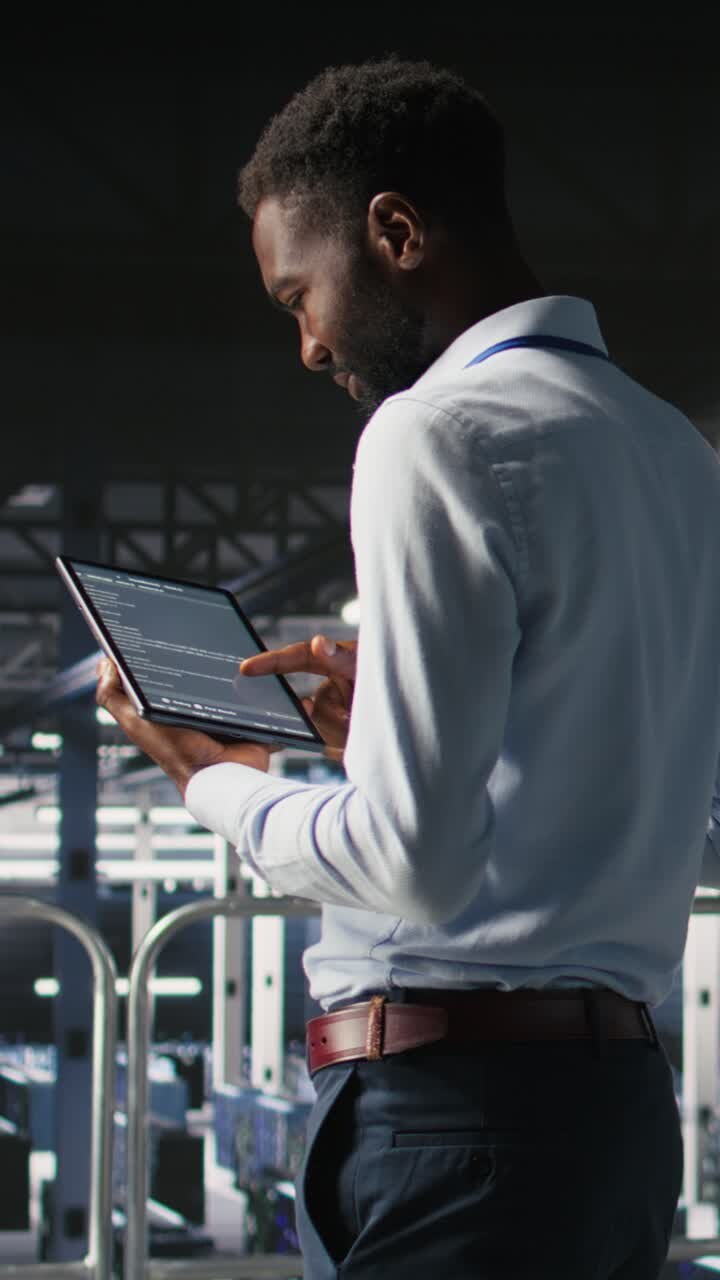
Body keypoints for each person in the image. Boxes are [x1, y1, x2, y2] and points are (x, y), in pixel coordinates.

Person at [94, 55, 720, 1279]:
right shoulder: (676, 452)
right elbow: (660, 806)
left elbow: (413, 862)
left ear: (394, 232)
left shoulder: (431, 430)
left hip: (457, 1124)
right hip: (615, 1125)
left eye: (299, 294)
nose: (307, 342)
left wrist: (211, 780)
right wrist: (390, 731)